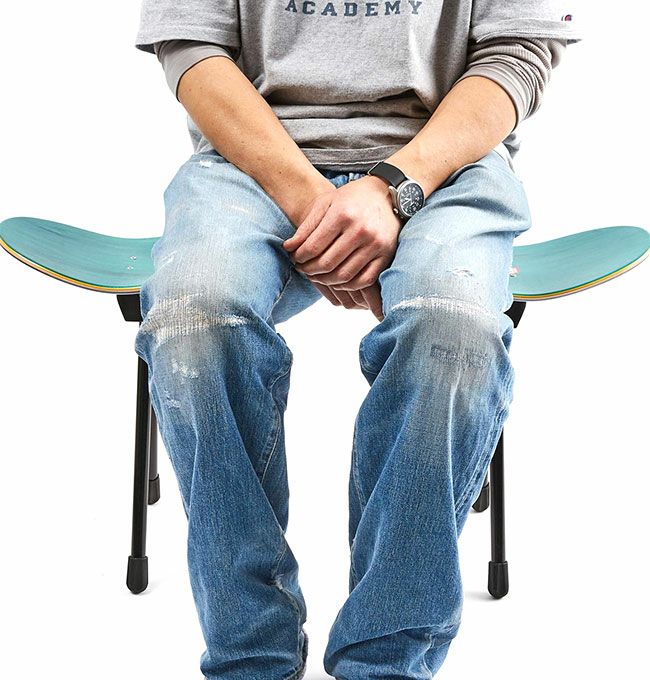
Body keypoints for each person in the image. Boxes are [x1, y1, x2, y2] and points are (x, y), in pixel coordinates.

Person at [133, 1, 582, 678]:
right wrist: (322, 209)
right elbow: (191, 48)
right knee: (195, 318)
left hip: (444, 164)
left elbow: (518, 55)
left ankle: (385, 662)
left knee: (451, 326)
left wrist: (392, 189)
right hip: (249, 160)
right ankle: (251, 656)